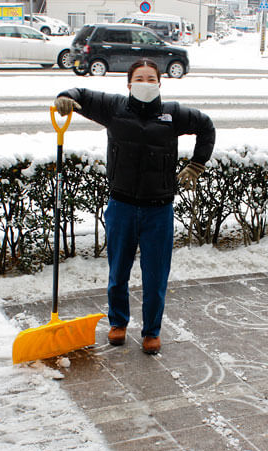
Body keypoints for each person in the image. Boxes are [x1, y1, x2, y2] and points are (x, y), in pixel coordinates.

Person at [54, 58, 215, 355]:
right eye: (139, 78)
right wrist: (66, 98)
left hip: (159, 209)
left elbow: (206, 126)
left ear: (159, 82)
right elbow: (80, 94)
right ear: (129, 84)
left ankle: (151, 331)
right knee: (118, 271)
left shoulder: (173, 114)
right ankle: (118, 323)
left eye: (150, 78)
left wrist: (196, 165)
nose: (145, 83)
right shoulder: (114, 108)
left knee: (155, 275)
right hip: (122, 205)